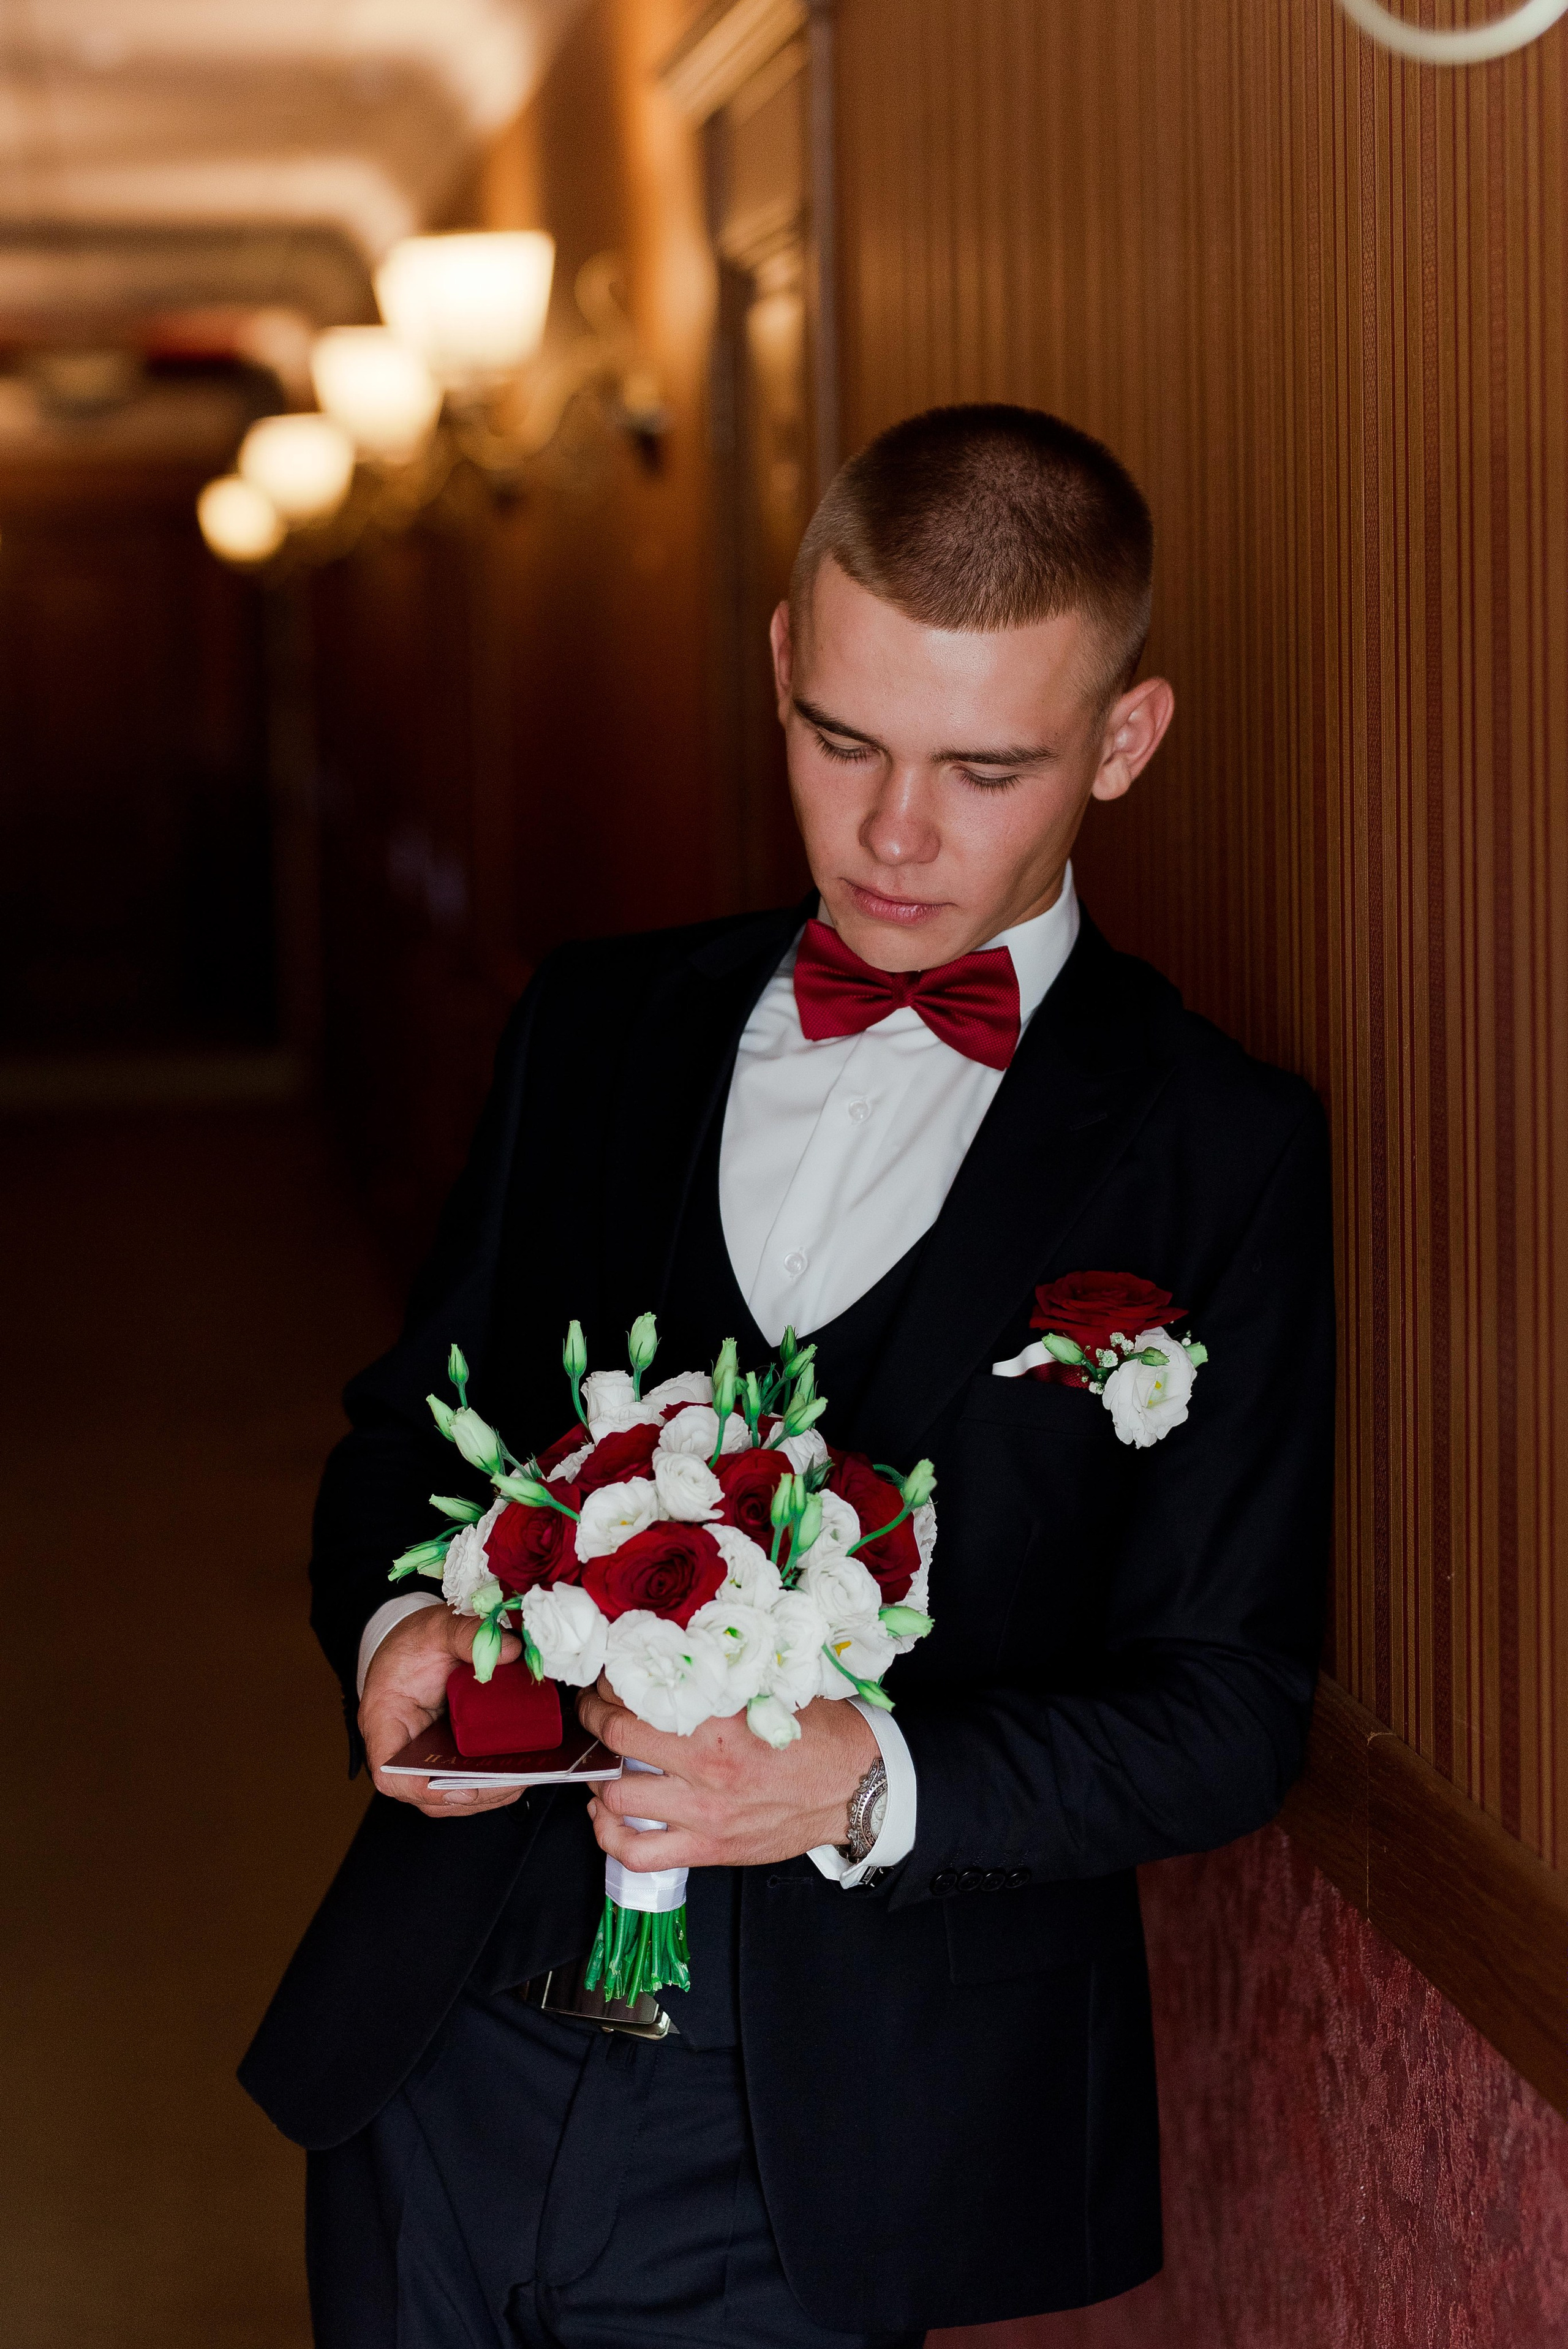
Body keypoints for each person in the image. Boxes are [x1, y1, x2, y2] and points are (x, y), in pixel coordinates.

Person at [241, 402, 1334, 2347]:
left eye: (985, 768)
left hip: (838, 2127)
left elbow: (1228, 1703)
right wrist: (403, 1620)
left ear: (1125, 739)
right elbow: (405, 1428)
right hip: (442, 2046)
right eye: (843, 740)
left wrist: (866, 1776)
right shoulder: (593, 1023)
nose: (894, 832)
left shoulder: (1217, 1147)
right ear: (779, 663)